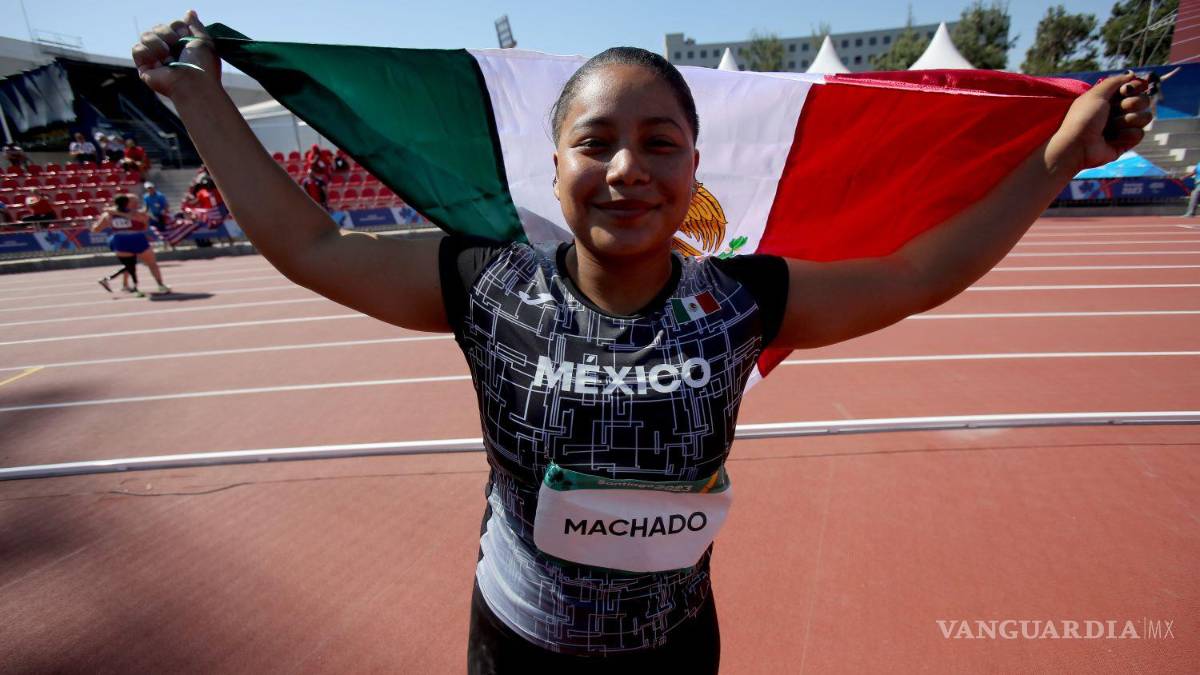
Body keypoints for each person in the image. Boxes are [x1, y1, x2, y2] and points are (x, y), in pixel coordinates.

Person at [134, 12, 1151, 673]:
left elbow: (916, 275)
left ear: (694, 168)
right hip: (519, 644)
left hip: (674, 648)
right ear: (555, 166)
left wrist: (1059, 158)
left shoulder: (742, 299)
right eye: (596, 142)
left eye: (659, 144)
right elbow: (313, 247)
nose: (628, 169)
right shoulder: (486, 283)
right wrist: (202, 101)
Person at [91, 193, 171, 296]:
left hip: (121, 241)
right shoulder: (136, 214)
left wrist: (112, 217)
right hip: (136, 239)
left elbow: (96, 229)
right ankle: (159, 285)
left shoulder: (109, 214)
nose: (136, 204)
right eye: (134, 202)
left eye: (137, 202)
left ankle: (126, 285)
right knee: (150, 263)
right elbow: (144, 225)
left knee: (129, 265)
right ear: (127, 203)